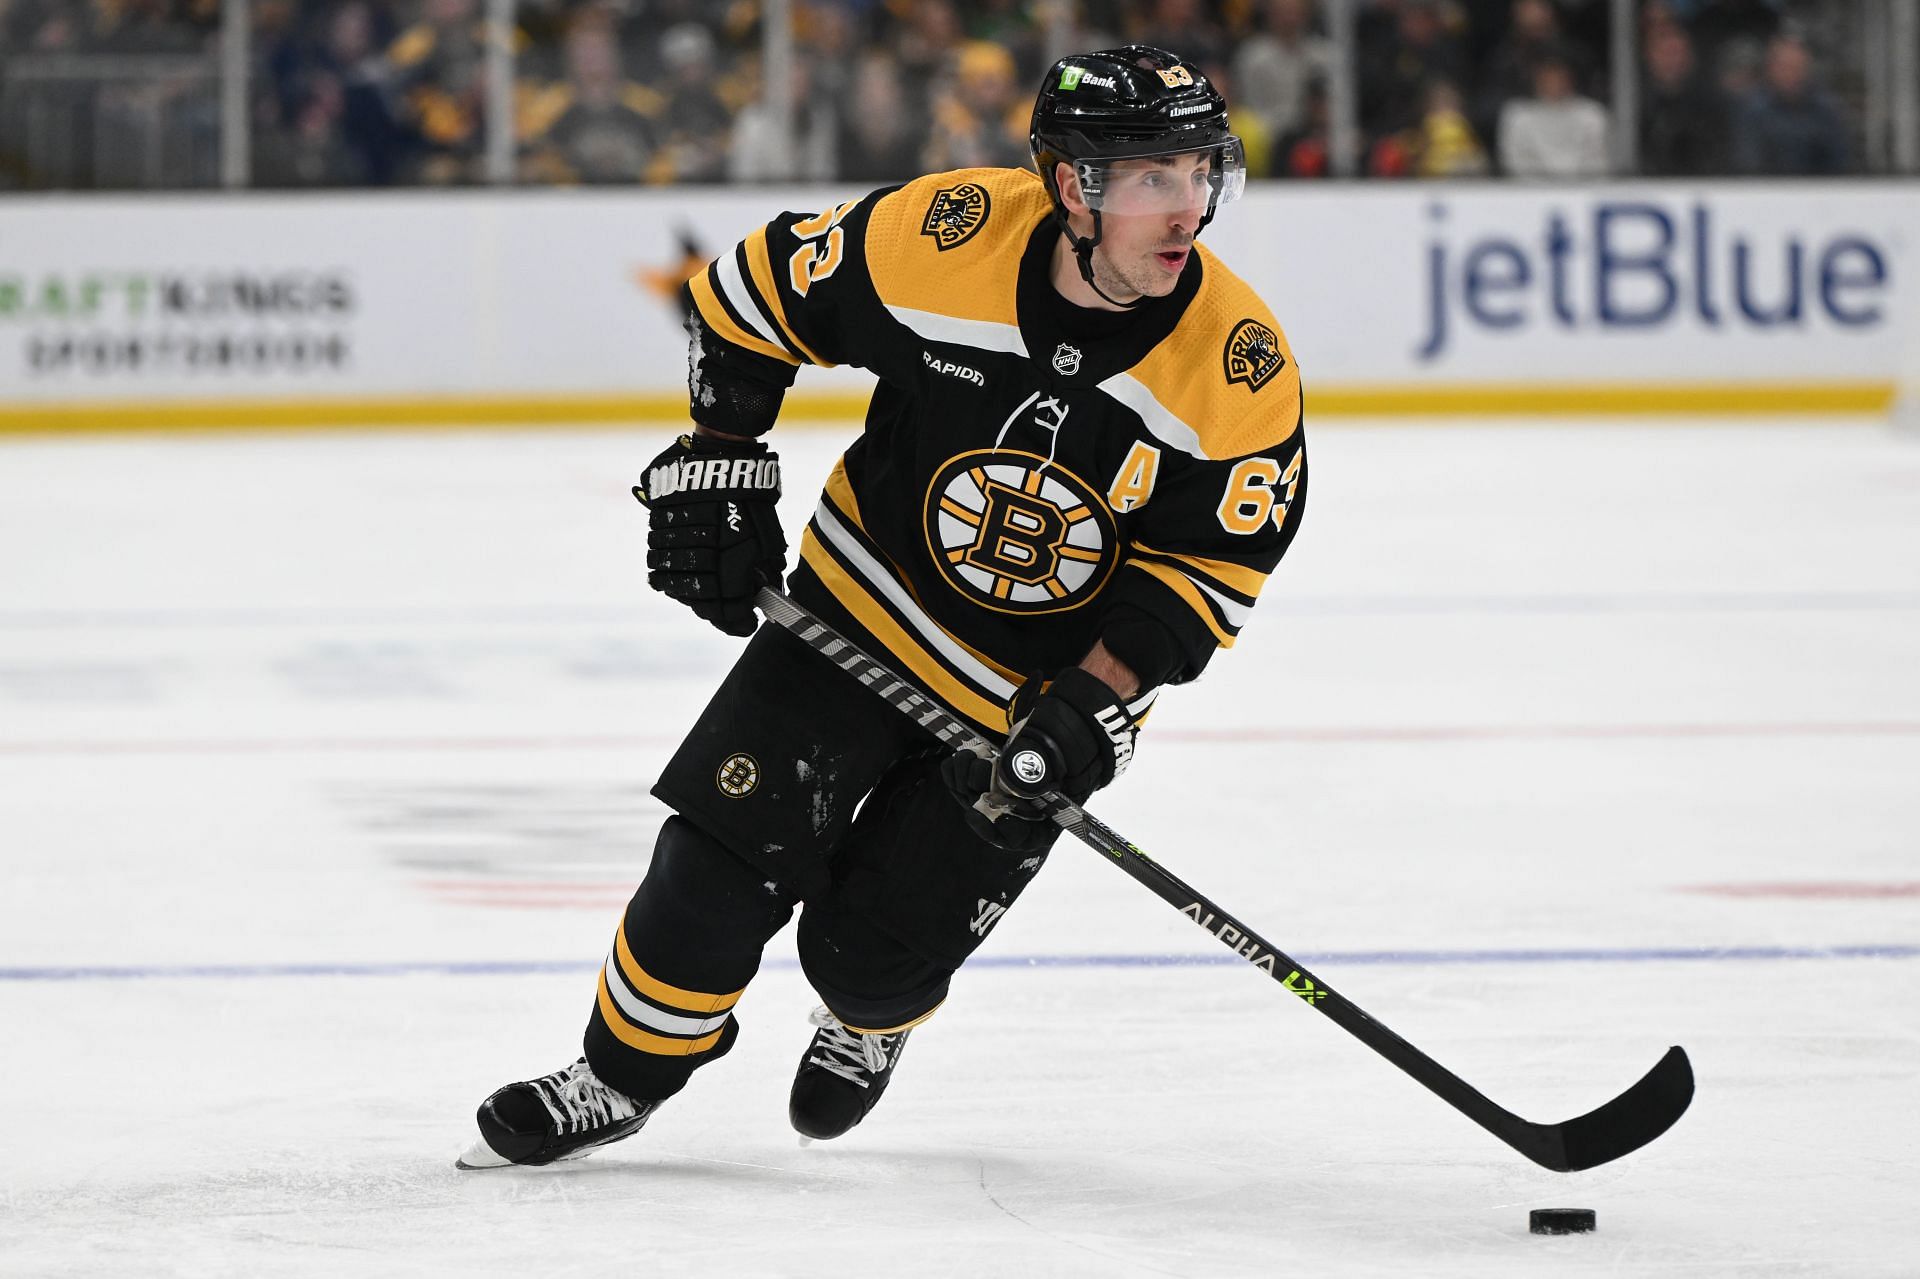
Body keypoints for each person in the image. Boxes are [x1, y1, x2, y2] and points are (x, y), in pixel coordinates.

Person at [457, 44, 1309, 1170]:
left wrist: (1089, 706)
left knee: (871, 951)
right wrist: (721, 460)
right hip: (858, 614)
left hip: (1028, 702)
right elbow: (754, 295)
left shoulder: (1238, 369)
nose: (1187, 207)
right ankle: (620, 1076)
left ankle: (875, 1018)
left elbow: (1207, 574)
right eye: (1154, 176)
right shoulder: (942, 238)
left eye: (1200, 171)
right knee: (708, 877)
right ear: (1074, 188)